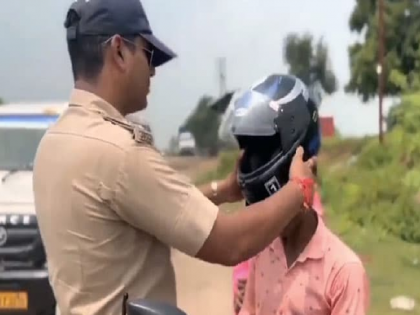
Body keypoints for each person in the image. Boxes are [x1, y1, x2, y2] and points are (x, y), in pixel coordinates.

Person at [32, 1, 317, 315]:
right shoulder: (119, 153)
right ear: (119, 51)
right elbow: (232, 243)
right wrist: (298, 189)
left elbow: (154, 207)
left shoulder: (54, 142)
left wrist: (222, 190)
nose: (153, 70)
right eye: (148, 54)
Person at [228, 74, 370, 315]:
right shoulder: (262, 249)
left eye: (283, 202)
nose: (273, 217)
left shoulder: (344, 273)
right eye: (265, 207)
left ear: (307, 173)